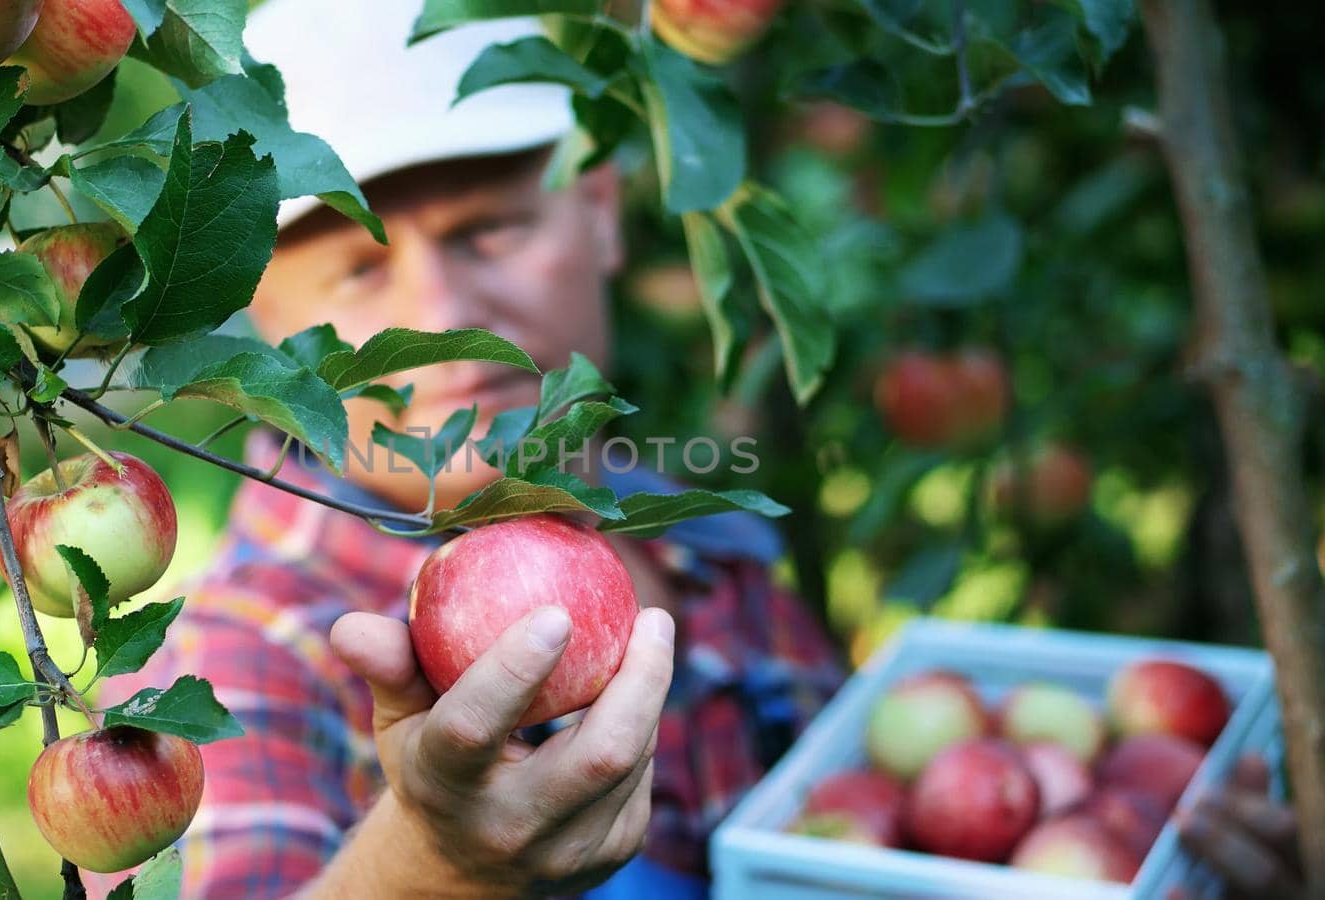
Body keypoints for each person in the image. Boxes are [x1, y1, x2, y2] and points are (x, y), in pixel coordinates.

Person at [89, 1, 1302, 896]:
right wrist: (428, 862)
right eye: (358, 265)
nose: (444, 312)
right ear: (260, 320)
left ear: (604, 215)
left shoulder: (701, 531)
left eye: (494, 228)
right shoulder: (235, 659)